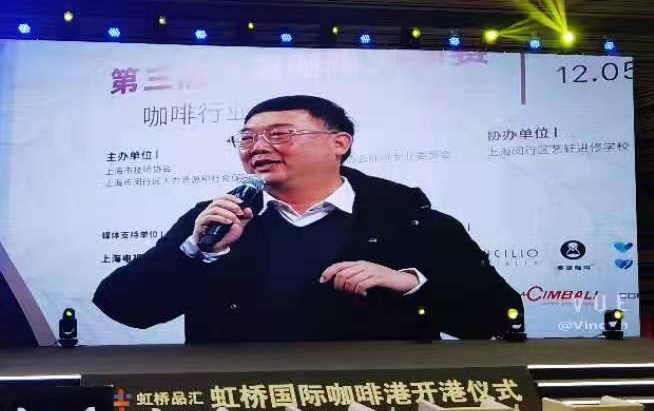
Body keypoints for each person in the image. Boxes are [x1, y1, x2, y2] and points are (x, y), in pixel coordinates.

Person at [94, 94, 522, 343]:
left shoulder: (412, 219)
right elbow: (124, 307)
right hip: (241, 409)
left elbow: (499, 316)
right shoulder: (216, 219)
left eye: (279, 134)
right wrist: (196, 251)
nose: (257, 147)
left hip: (381, 408)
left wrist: (409, 283)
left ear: (339, 143)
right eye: (247, 138)